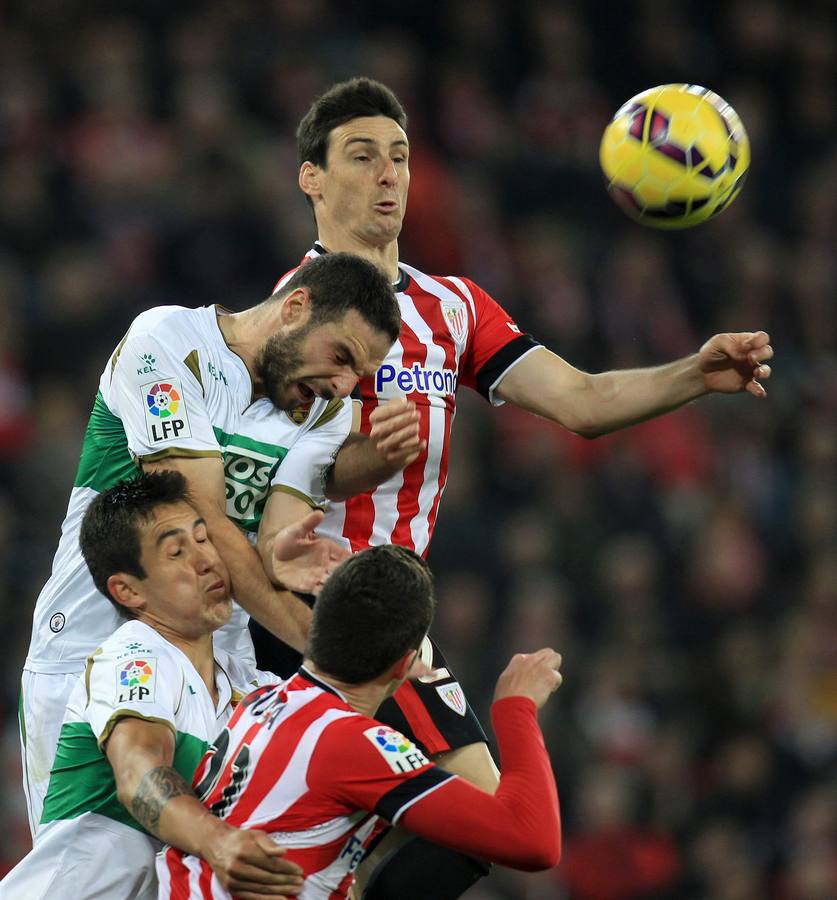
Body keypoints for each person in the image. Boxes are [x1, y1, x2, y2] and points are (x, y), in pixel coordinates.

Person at [249, 76, 775, 896]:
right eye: (361, 157)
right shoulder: (287, 315)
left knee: (486, 830)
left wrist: (693, 374)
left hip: (392, 617)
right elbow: (272, 481)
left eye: (400, 158)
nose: (388, 175)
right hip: (307, 613)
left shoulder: (450, 306)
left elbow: (581, 400)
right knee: (491, 824)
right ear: (310, 178)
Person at [19, 250, 417, 836]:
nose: (342, 385)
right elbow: (198, 514)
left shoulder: (322, 412)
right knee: (85, 871)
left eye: (356, 377)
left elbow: (281, 528)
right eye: (340, 357)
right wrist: (322, 649)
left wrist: (296, 546)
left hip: (218, 675)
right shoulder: (167, 341)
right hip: (87, 647)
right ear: (296, 308)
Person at [158, 545, 562, 900]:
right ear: (407, 665)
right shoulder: (353, 745)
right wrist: (516, 707)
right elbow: (533, 841)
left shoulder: (260, 701)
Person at [2, 471, 304, 900]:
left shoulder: (254, 686)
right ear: (127, 590)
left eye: (204, 539)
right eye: (177, 551)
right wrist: (219, 842)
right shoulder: (134, 656)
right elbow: (139, 772)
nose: (206, 560)